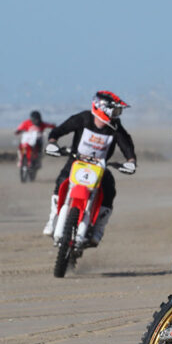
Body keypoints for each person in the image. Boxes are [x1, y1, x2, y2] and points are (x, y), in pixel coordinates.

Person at [42, 91, 136, 246]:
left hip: (100, 167)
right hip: (76, 162)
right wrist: (52, 142)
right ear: (102, 108)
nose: (116, 115)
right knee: (61, 181)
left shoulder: (115, 127)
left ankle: (98, 228)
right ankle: (52, 220)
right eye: (114, 111)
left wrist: (131, 160)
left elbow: (126, 143)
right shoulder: (83, 119)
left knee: (109, 191)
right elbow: (59, 130)